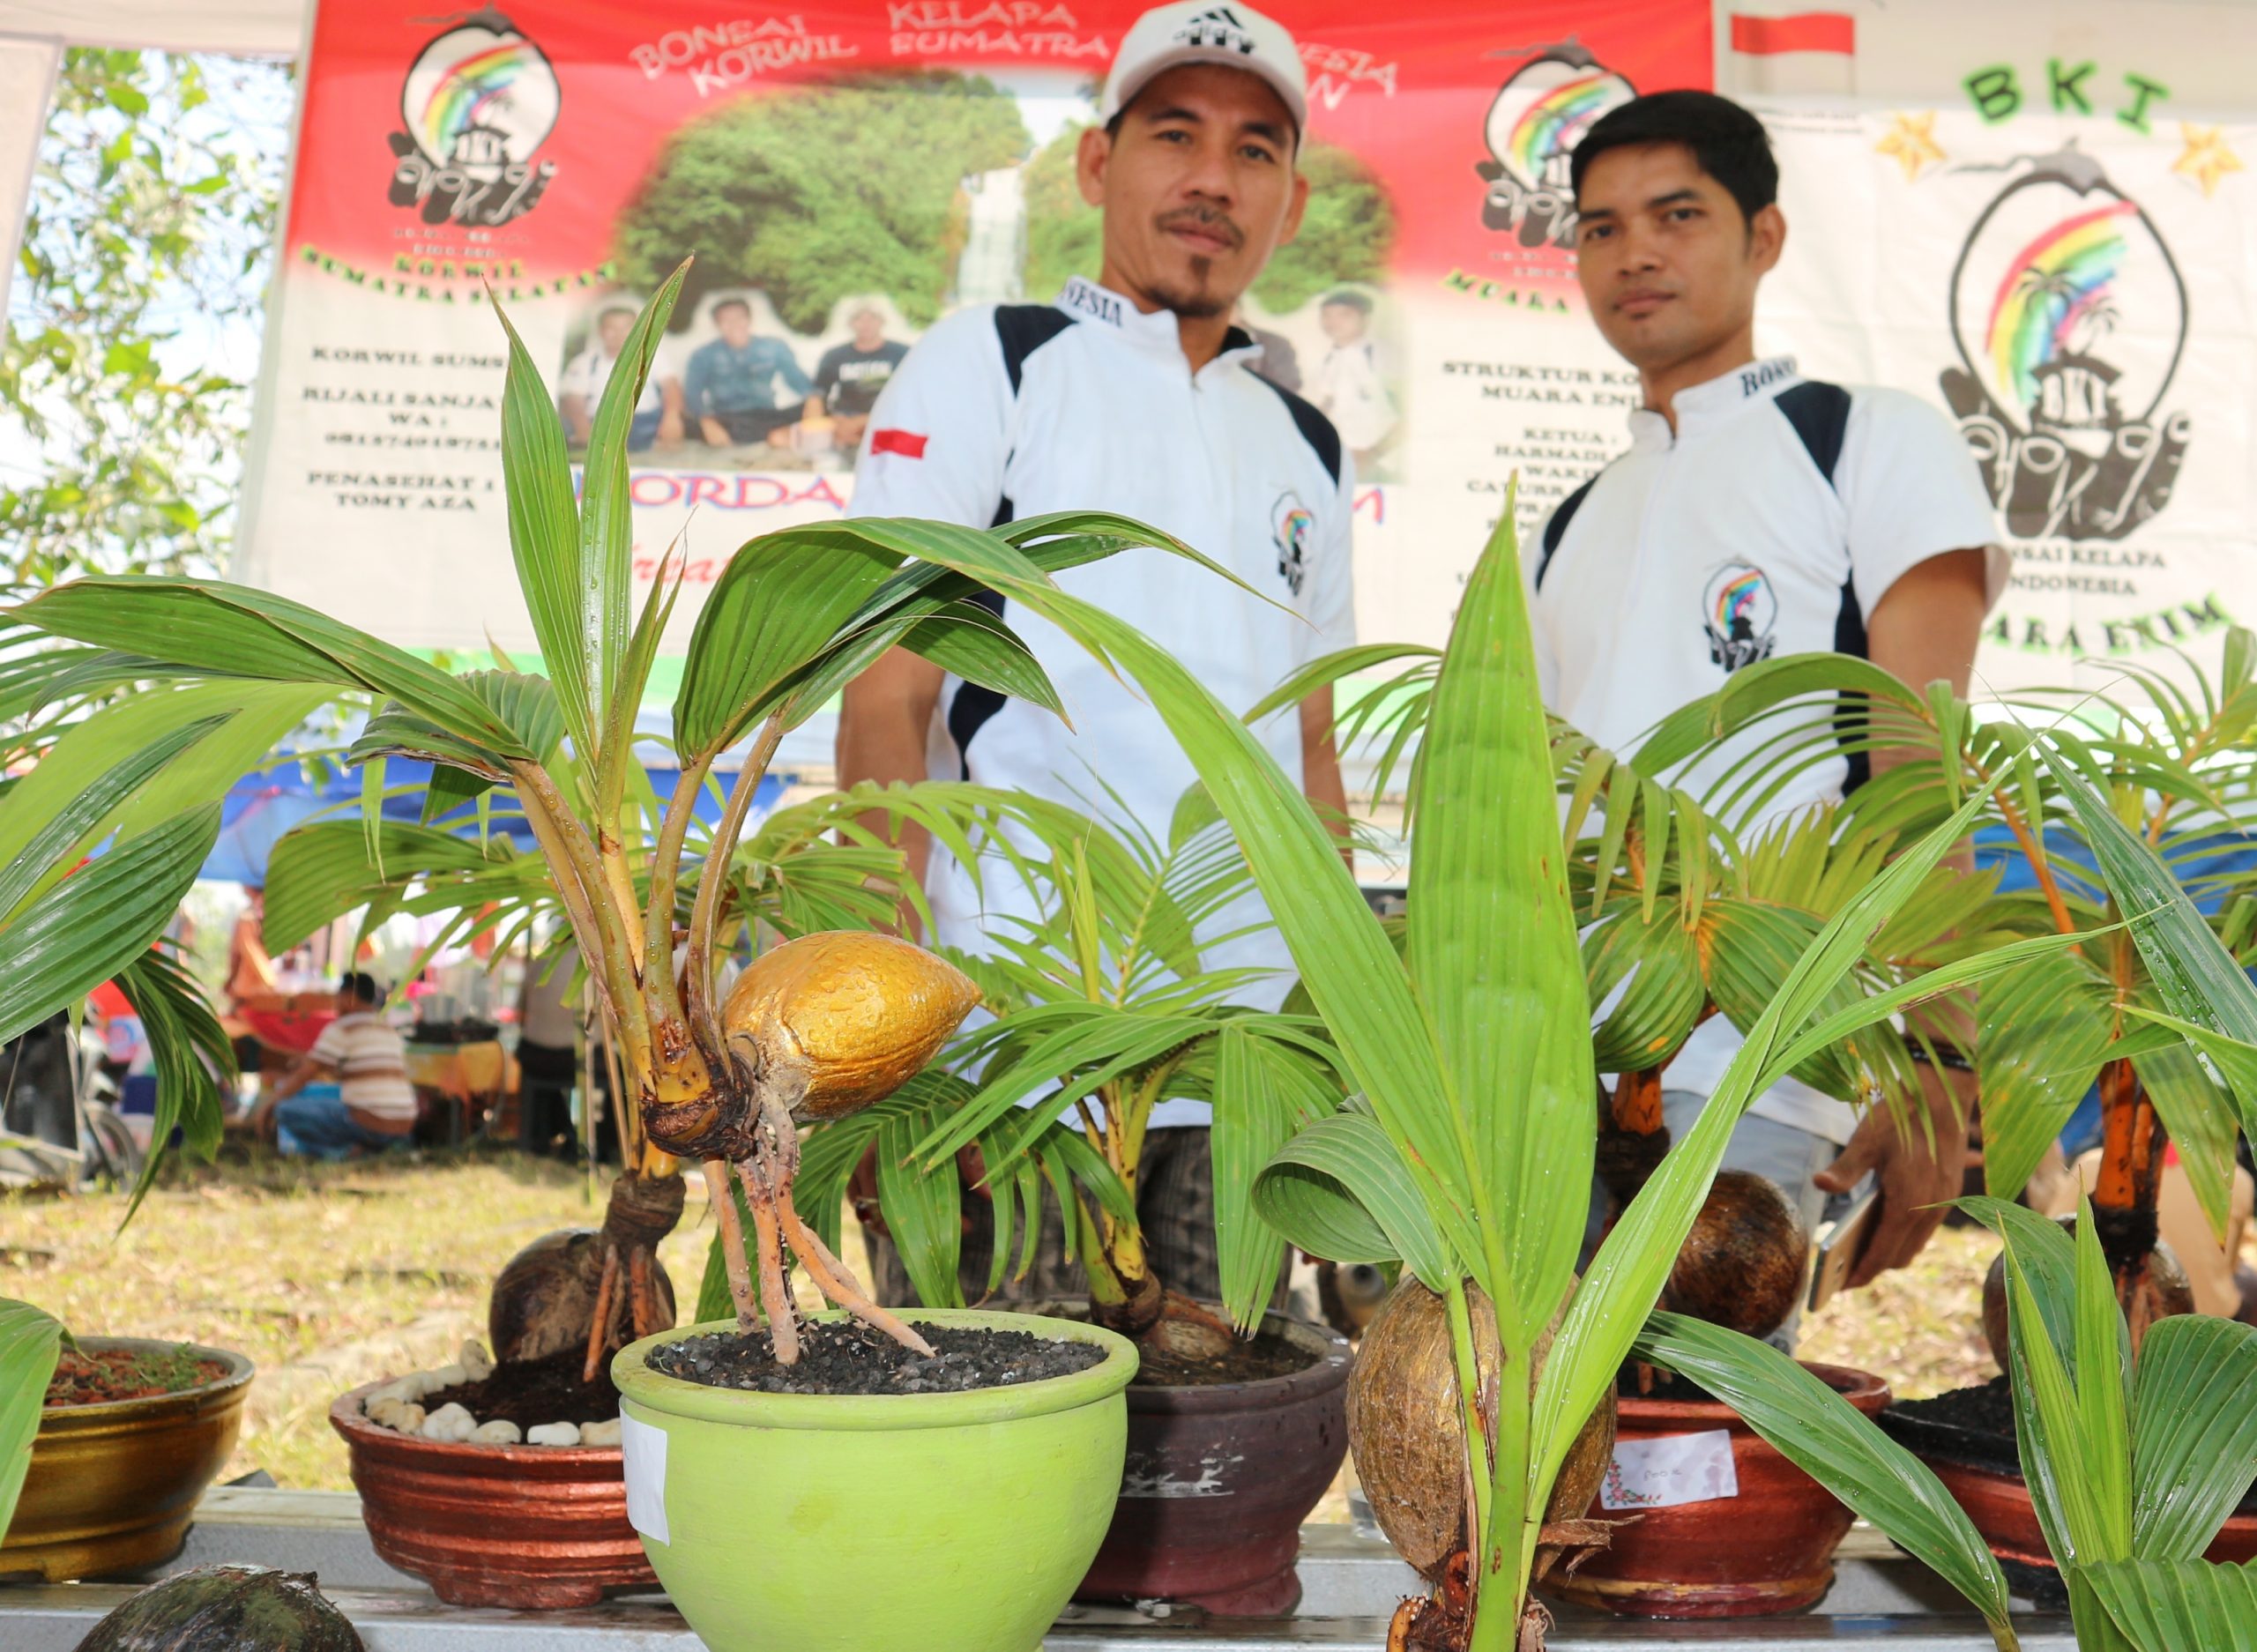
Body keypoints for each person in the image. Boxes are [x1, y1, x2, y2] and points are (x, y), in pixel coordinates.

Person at [836, 0, 1356, 1308]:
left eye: (1254, 151)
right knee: (998, 1410)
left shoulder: (1306, 441)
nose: (1211, 179)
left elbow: (1312, 751)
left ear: (1291, 204)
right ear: (1093, 164)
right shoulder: (994, 362)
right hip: (1009, 1049)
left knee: (1230, 1418)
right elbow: (886, 698)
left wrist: (1330, 1037)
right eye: (1174, 134)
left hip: (1234, 1068)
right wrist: (881, 1035)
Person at [1537, 90, 2005, 1313]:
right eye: (1600, 227)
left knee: (1712, 1422)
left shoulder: (1865, 440)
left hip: (1760, 1069)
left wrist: (1936, 1062)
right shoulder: (1570, 522)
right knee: (1540, 1421)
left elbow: (1920, 772)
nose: (1634, 253)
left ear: (1766, 236)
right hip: (1548, 1079)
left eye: (1677, 214)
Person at [250, 972, 418, 1159]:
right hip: (404, 1124)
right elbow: (351, 1068)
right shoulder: (387, 1028)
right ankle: (380, 1147)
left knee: (285, 1110)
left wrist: (270, 1105)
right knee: (318, 1093)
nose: (336, 1002)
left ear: (350, 997)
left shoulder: (343, 1027)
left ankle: (343, 1152)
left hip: (371, 1122)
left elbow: (304, 1075)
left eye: (338, 996)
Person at [682, 298, 812, 447]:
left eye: (739, 318)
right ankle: (769, 436)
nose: (734, 324)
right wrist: (707, 422)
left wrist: (813, 397)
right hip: (726, 419)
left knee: (821, 406)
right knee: (681, 422)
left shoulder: (774, 346)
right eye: (726, 320)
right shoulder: (703, 355)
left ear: (749, 319)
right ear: (716, 325)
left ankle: (772, 436)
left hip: (767, 416)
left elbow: (796, 377)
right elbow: (692, 393)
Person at [557, 302, 681, 450]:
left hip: (645, 423)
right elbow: (573, 400)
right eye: (611, 328)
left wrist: (672, 417)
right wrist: (582, 428)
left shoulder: (653, 355)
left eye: (626, 328)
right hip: (601, 424)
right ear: (601, 331)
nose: (619, 334)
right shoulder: (584, 362)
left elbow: (671, 386)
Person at [1307, 288, 1394, 466]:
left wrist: (1375, 454)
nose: (1332, 322)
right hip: (1341, 457)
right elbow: (1329, 401)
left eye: (1344, 315)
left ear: (1366, 319)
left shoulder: (1384, 356)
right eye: (1326, 315)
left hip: (1380, 460)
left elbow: (1411, 414)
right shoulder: (1329, 359)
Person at [810, 301, 910, 450]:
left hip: (887, 418)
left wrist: (865, 421)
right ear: (850, 324)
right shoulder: (835, 356)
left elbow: (911, 394)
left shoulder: (901, 353)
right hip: (845, 420)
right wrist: (825, 422)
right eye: (859, 319)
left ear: (882, 322)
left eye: (872, 318)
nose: (866, 324)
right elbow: (817, 393)